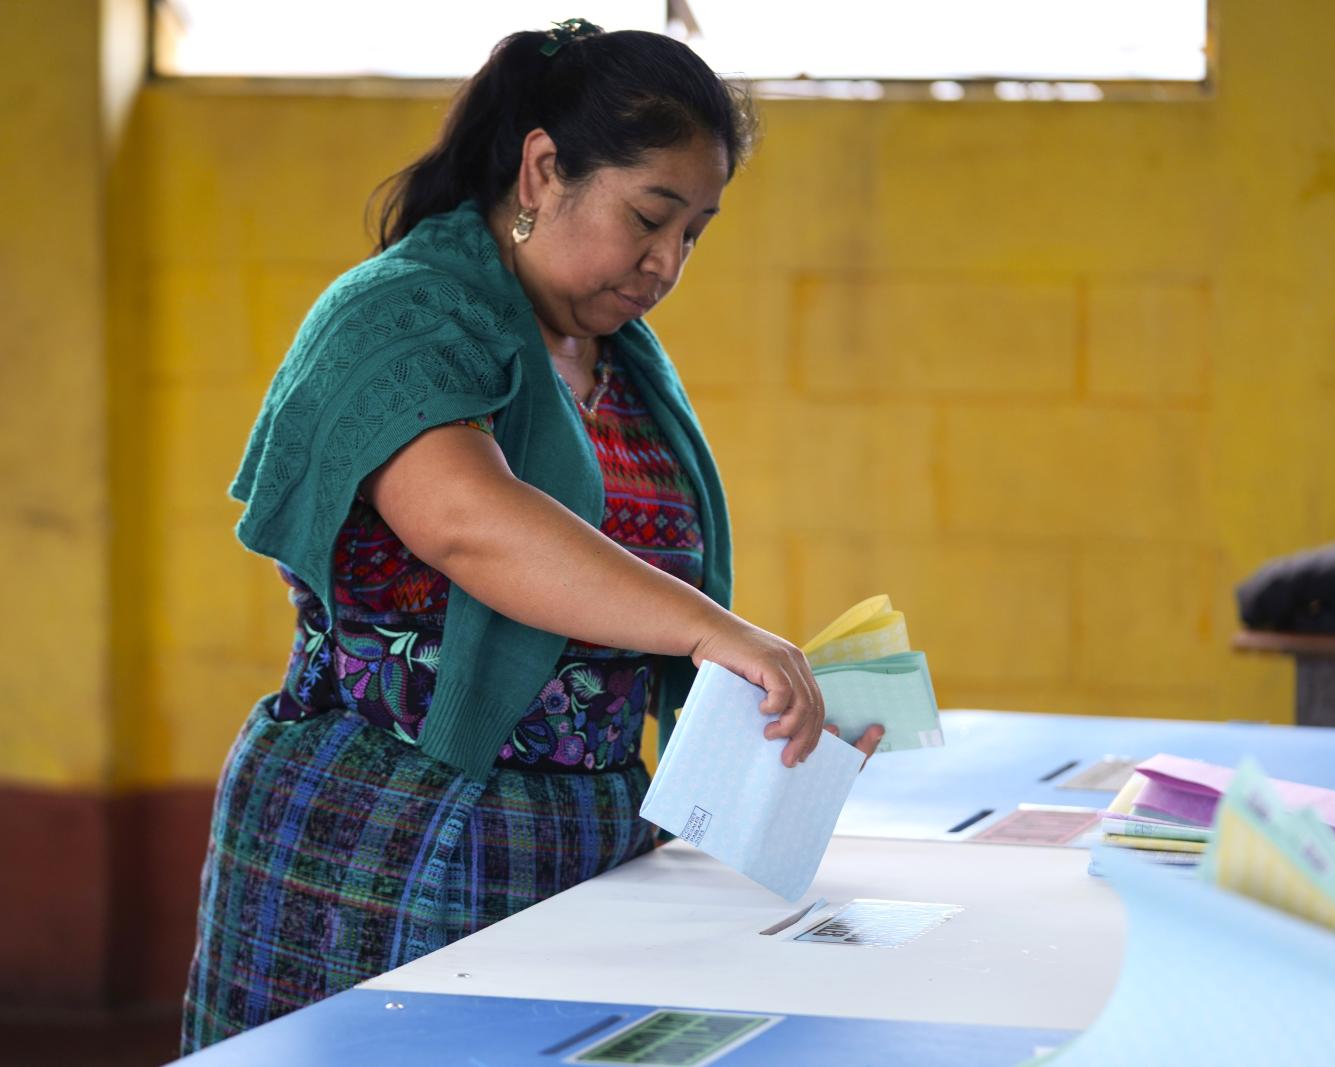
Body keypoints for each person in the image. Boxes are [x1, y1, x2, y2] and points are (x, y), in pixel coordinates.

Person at [180, 19, 883, 1052]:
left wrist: (775, 731)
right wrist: (716, 632)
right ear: (543, 168)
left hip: (589, 838)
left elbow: (612, 615)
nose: (665, 262)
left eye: (693, 233)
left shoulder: (623, 364)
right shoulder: (401, 315)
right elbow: (472, 523)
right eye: (649, 216)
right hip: (391, 836)